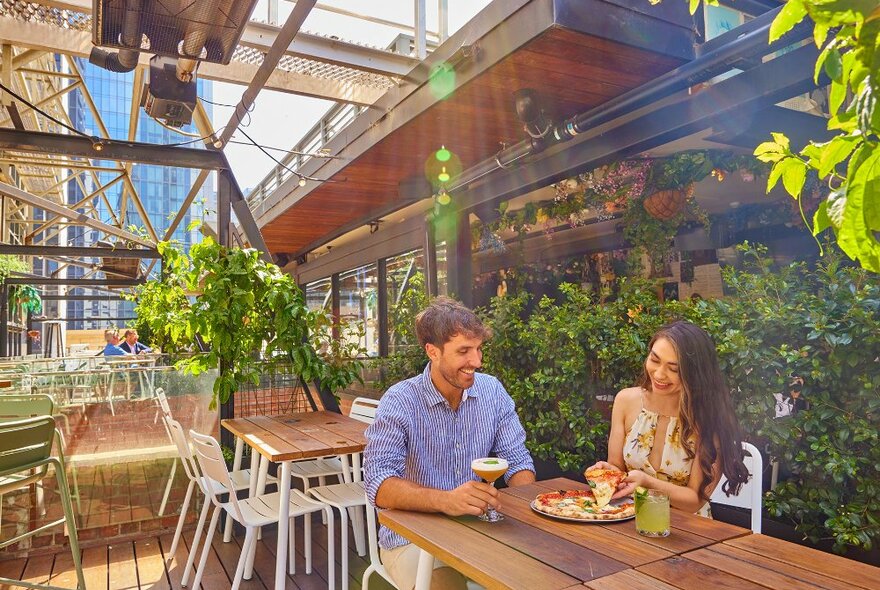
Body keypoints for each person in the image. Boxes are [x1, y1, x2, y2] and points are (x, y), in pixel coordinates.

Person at [364, 297, 535, 590]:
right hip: (413, 540)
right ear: (433, 351)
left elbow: (518, 463)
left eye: (479, 349)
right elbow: (378, 485)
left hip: (481, 532)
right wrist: (447, 501)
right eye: (464, 351)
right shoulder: (400, 400)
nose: (477, 362)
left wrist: (529, 516)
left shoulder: (492, 391)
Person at [587, 320, 749, 515]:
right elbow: (618, 469)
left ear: (695, 374)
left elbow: (695, 500)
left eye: (674, 369)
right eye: (654, 360)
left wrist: (647, 483)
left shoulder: (708, 419)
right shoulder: (626, 401)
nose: (659, 374)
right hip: (629, 519)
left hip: (687, 531)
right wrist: (608, 473)